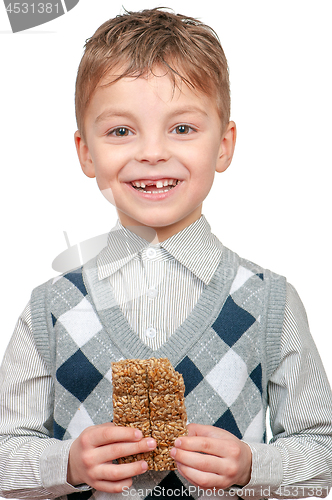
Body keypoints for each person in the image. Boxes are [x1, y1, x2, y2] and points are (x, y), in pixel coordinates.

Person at [0, 8, 331, 500]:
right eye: (120, 131)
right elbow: (7, 453)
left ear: (224, 145)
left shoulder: (270, 303)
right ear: (86, 152)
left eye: (182, 129)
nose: (152, 152)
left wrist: (251, 466)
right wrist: (66, 463)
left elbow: (321, 451)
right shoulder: (50, 310)